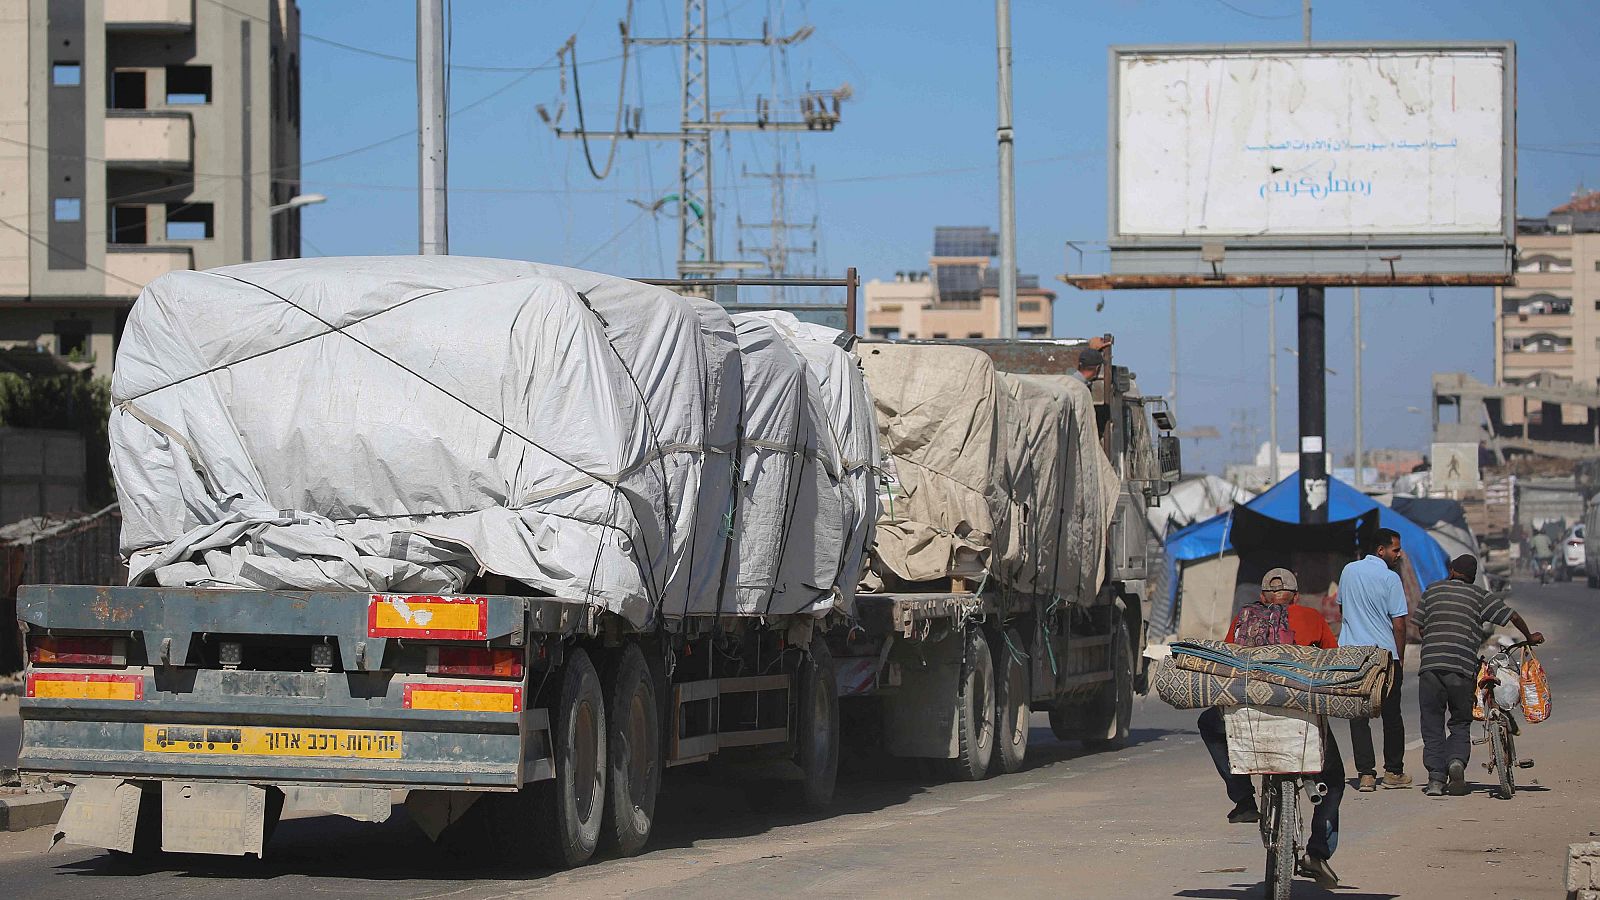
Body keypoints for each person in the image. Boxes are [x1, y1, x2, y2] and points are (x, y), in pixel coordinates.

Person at [1198, 567, 1344, 888]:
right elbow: (1331, 663)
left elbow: (1228, 660)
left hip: (1248, 712)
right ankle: (1317, 851)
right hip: (1300, 713)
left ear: (1263, 597)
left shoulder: (1244, 617)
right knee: (1333, 781)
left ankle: (1244, 798)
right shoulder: (1311, 617)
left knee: (1208, 722)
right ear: (1295, 595)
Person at [1417, 555, 1543, 797]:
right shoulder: (1479, 596)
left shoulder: (1432, 590)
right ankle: (1455, 761)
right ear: (1473, 577)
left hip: (1430, 666)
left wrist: (1435, 639)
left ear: (1451, 571)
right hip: (1462, 667)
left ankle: (1435, 779)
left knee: (1432, 722)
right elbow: (1512, 616)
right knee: (1460, 721)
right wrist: (1529, 637)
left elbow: (1421, 625)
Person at [1336, 527, 1411, 791]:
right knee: (1392, 716)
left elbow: (1343, 610)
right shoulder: (1391, 579)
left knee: (1358, 716)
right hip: (1384, 655)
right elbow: (1399, 624)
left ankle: (1366, 774)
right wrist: (1399, 658)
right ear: (1381, 550)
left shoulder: (1348, 571)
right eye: (1395, 550)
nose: (1399, 555)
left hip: (1352, 655)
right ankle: (1393, 772)